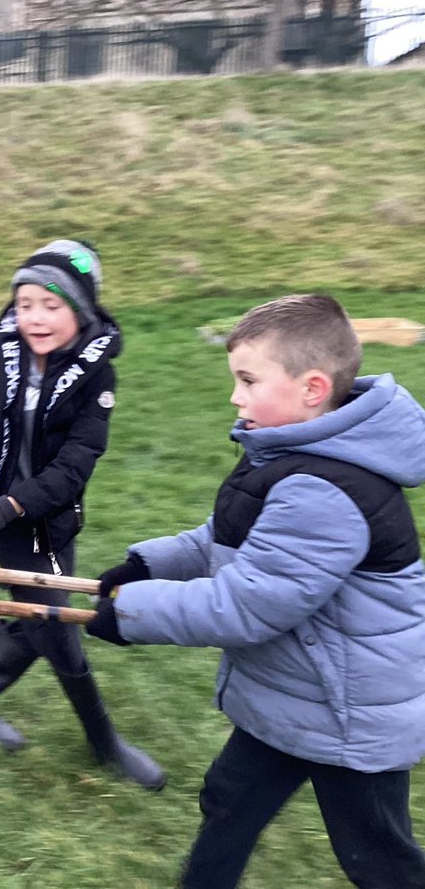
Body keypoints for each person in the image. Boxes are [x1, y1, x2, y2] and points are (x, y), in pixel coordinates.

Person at [87, 294, 425, 888]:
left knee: (380, 859)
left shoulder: (325, 489)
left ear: (312, 389)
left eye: (247, 380)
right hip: (295, 693)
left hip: (348, 714)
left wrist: (132, 614)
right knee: (228, 800)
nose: (235, 397)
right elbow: (224, 537)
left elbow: (247, 605)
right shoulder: (287, 451)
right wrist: (146, 566)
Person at [0, 239, 165, 789]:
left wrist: (9, 505)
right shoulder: (0, 352)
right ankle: (103, 742)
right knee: (56, 622)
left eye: (51, 305)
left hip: (48, 517)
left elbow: (72, 469)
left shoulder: (97, 376)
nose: (34, 317)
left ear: (79, 311)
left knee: (37, 612)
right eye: (25, 302)